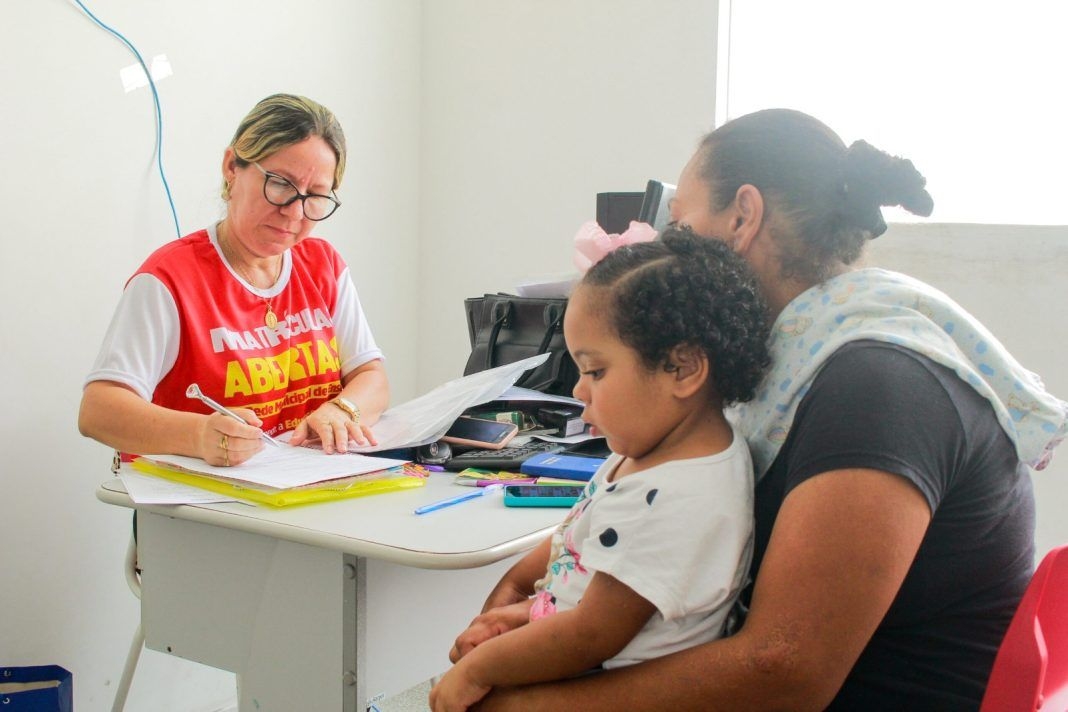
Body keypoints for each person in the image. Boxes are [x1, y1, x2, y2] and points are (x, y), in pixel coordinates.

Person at [450, 109, 1067, 711]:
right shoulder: (800, 360)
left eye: (681, 227)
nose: (669, 248)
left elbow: (784, 673)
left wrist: (530, 704)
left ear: (743, 215)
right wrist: (549, 611)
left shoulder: (876, 385)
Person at [429, 227, 771, 712]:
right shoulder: (651, 452)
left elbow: (592, 633)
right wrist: (523, 609)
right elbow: (585, 567)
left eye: (595, 371)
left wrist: (478, 670)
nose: (578, 391)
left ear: (684, 369)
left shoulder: (679, 495)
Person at [79, 93, 388, 466]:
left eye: (316, 196)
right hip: (203, 512)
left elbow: (372, 376)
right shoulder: (169, 279)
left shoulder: (323, 265)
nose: (294, 212)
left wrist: (344, 409)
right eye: (280, 184)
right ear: (232, 167)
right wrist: (198, 435)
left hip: (305, 497)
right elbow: (98, 411)